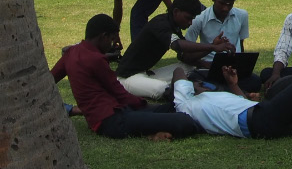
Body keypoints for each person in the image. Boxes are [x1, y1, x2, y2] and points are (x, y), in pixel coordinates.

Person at [51, 14, 199, 140]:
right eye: (111, 40)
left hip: (116, 112)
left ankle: (154, 129)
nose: (111, 45)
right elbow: (117, 91)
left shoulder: (71, 53)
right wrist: (143, 104)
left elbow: (50, 79)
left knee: (170, 108)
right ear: (104, 36)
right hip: (112, 120)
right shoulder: (95, 59)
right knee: (182, 120)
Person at [116, 0, 205, 98]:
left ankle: (178, 86)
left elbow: (184, 56)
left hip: (146, 73)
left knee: (188, 67)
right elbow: (177, 45)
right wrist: (212, 47)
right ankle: (187, 89)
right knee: (160, 89)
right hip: (128, 77)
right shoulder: (161, 24)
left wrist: (207, 61)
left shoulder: (174, 26)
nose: (190, 23)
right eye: (188, 18)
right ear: (176, 12)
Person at [183, 0, 260, 91]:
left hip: (232, 69)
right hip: (209, 68)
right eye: (222, 3)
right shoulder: (199, 19)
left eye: (229, 4)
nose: (225, 8)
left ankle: (220, 89)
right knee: (194, 77)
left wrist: (242, 65)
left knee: (256, 82)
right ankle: (231, 89)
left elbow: (241, 44)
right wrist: (205, 61)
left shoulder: (242, 15)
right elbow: (186, 54)